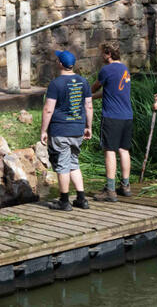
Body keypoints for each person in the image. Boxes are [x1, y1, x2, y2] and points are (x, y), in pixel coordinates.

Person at [40, 50, 93, 211]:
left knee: (62, 166)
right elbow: (88, 106)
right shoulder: (83, 82)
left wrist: (43, 130)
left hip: (60, 129)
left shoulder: (56, 84)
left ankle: (64, 201)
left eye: (57, 60)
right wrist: (88, 127)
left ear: (60, 64)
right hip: (77, 129)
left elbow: (48, 109)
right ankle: (81, 199)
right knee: (73, 163)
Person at [92, 42, 133, 202]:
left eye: (102, 53)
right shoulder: (124, 69)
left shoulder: (106, 70)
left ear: (108, 54)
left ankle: (110, 190)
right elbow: (111, 92)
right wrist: (93, 98)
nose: (101, 56)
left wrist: (87, 94)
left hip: (112, 117)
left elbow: (96, 87)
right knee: (124, 150)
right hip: (127, 116)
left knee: (109, 150)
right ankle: (126, 185)